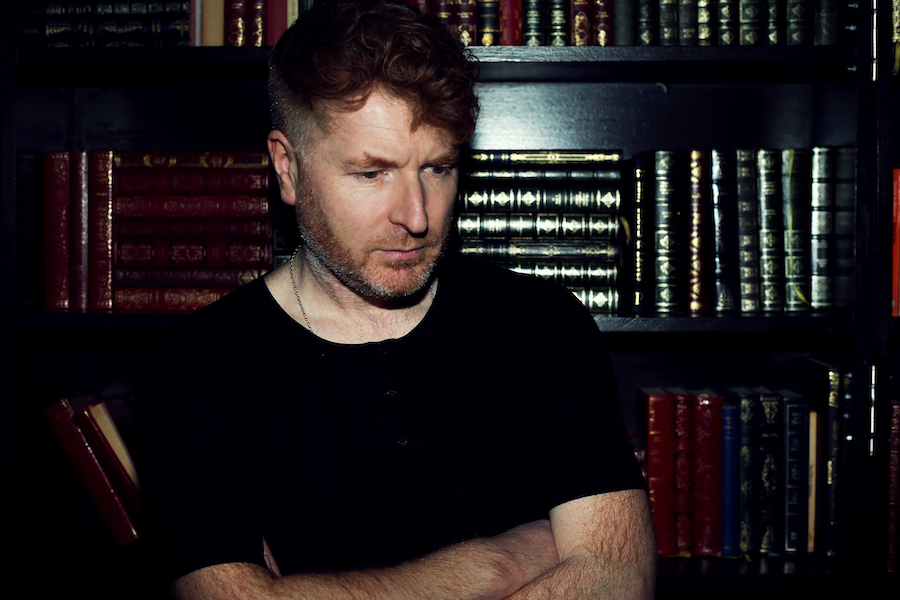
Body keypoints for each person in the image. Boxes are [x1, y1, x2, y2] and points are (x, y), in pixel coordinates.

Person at [133, 0, 656, 598]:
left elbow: (621, 579)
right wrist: (497, 565)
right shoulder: (195, 369)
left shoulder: (546, 326)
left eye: (437, 168)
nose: (417, 216)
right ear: (288, 168)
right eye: (371, 173)